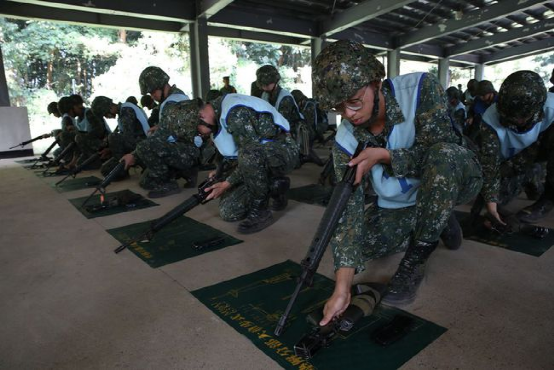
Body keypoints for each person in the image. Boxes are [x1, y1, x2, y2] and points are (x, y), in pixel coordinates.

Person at [311, 40, 482, 322]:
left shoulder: (419, 89)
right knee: (357, 251)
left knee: (442, 155)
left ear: (376, 83)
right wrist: (341, 287)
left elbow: (440, 153)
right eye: (339, 109)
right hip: (401, 203)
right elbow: (348, 211)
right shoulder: (344, 138)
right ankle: (436, 220)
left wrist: (387, 156)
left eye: (354, 102)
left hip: (454, 177)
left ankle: (415, 259)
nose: (349, 115)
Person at [197, 94, 299, 234]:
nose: (200, 135)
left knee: (248, 155)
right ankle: (275, 185)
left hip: (282, 151)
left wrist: (227, 183)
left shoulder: (235, 113)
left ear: (201, 116)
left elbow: (250, 154)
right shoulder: (218, 113)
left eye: (197, 131)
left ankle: (261, 212)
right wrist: (220, 171)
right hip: (257, 157)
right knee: (229, 211)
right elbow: (234, 151)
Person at [478, 70, 554, 225]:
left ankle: (549, 197)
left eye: (520, 118)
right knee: (490, 204)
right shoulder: (490, 121)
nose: (513, 121)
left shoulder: (551, 107)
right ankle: (533, 178)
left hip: (540, 151)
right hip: (512, 163)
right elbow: (490, 165)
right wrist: (491, 206)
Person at [121, 99, 201, 198]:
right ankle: (186, 172)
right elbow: (157, 137)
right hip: (180, 152)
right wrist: (133, 155)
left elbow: (150, 143)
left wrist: (134, 154)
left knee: (145, 146)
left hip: (189, 154)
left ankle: (168, 184)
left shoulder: (184, 113)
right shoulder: (171, 113)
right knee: (146, 182)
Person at [256, 65, 317, 165]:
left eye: (267, 84)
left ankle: (304, 154)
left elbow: (283, 123)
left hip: (294, 128)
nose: (264, 87)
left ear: (275, 81)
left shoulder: (285, 98)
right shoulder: (265, 94)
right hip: (277, 125)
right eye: (262, 84)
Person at [91, 96, 149, 177]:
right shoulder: (122, 111)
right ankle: (121, 166)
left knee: (113, 137)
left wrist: (111, 146)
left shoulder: (126, 110)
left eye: (105, 114)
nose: (107, 117)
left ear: (110, 108)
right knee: (105, 170)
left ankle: (123, 168)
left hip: (143, 145)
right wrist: (109, 149)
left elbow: (128, 137)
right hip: (136, 143)